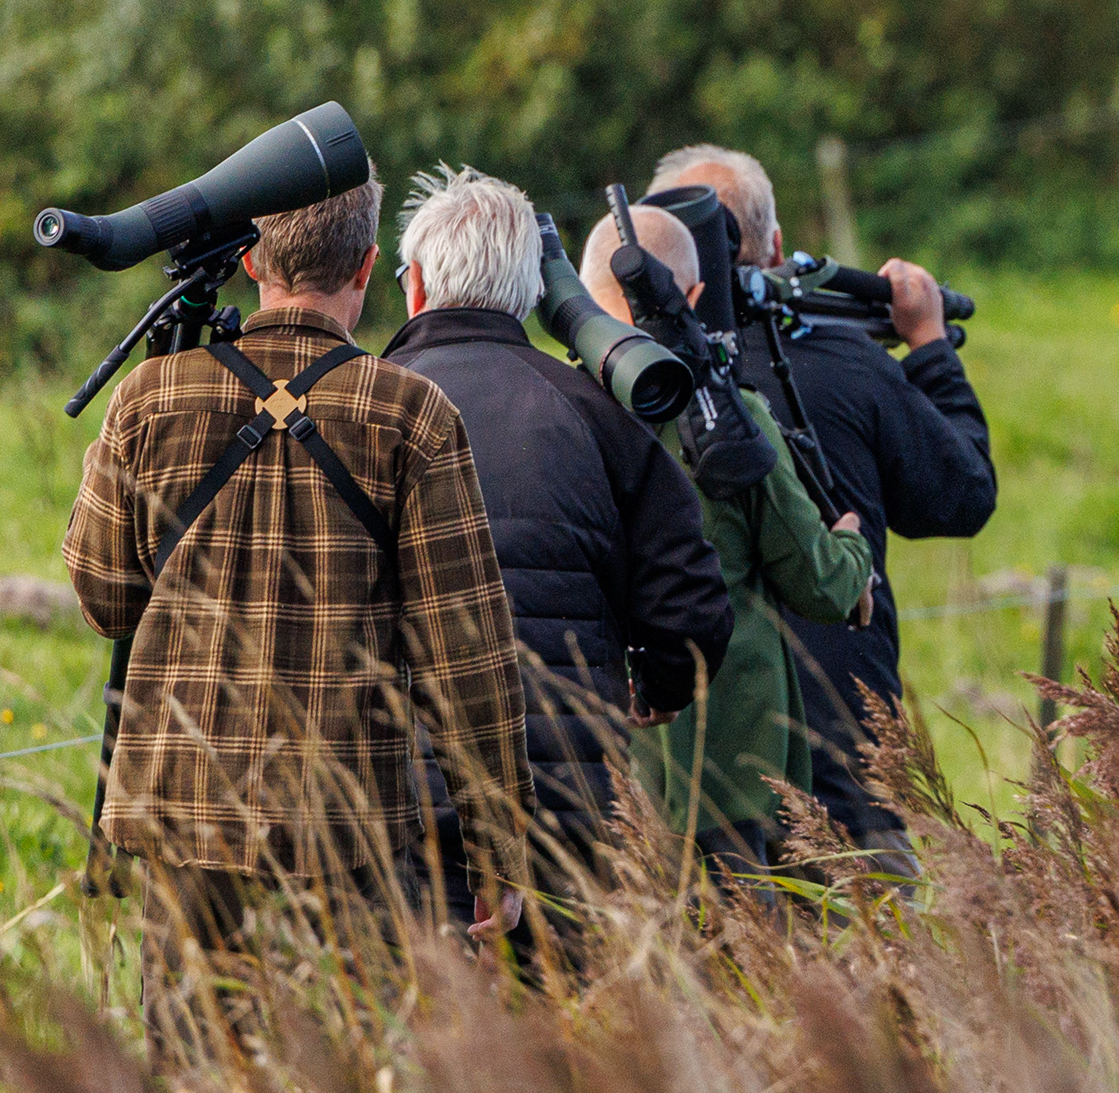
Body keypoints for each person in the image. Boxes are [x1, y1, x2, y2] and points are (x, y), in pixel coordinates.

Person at [62, 160, 529, 1054]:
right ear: (367, 269)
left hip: (181, 812)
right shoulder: (414, 414)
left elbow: (103, 595)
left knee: (197, 1079)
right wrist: (497, 850)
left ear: (249, 264)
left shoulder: (149, 397)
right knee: (348, 1089)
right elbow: (466, 653)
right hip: (347, 817)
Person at [383, 167, 734, 913]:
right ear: (535, 292)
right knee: (568, 1023)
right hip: (567, 807)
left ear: (414, 286)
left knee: (408, 1023)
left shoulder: (357, 408)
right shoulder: (596, 411)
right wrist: (662, 686)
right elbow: (692, 599)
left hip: (396, 804)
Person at [649, 143, 993, 862]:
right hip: (847, 781)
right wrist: (928, 342)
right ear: (774, 248)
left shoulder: (630, 389)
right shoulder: (850, 364)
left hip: (692, 798)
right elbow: (962, 496)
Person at [578, 201, 873, 878]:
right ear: (695, 296)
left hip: (603, 784)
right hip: (736, 783)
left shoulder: (557, 415)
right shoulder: (732, 422)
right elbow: (824, 584)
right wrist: (853, 549)